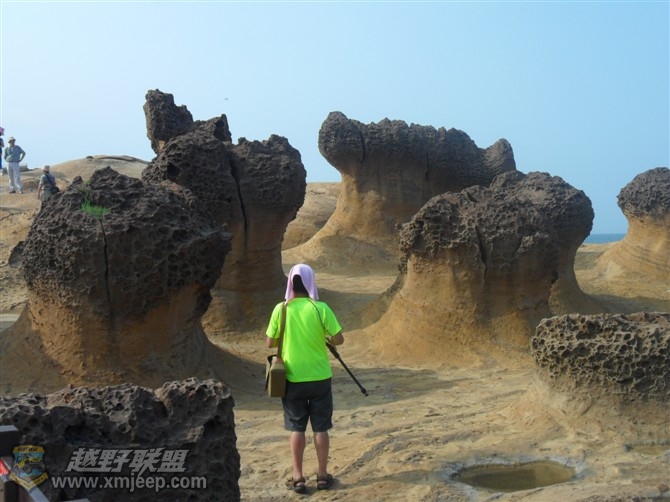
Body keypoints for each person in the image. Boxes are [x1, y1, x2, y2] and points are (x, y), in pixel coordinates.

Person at [266, 263, 344, 494]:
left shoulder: (281, 309)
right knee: (321, 428)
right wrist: (324, 337)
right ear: (311, 282)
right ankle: (322, 476)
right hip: (320, 377)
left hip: (291, 378)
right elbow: (339, 339)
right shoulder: (321, 308)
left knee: (297, 427)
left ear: (290, 282)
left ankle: (298, 477)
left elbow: (270, 342)